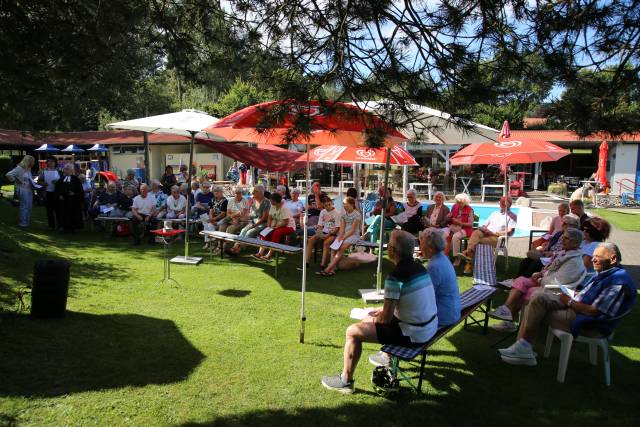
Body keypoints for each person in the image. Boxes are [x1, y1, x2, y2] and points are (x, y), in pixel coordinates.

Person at [321, 230, 439, 393]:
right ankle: (384, 360)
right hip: (429, 327)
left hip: (414, 334)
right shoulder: (419, 268)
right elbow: (405, 305)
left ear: (392, 251)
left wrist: (371, 317)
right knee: (367, 322)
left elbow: (385, 319)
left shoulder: (396, 277)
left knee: (352, 332)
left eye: (389, 244)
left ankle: (345, 381)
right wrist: (377, 312)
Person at [499, 243, 636, 366]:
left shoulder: (618, 282)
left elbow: (592, 311)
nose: (592, 259)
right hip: (578, 307)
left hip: (588, 324)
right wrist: (561, 291)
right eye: (593, 256)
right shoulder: (607, 273)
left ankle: (523, 347)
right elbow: (585, 295)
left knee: (537, 303)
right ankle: (523, 346)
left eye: (598, 257)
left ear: (612, 259)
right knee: (543, 294)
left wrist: (568, 301)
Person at [491, 228, 586, 331]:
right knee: (521, 280)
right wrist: (540, 273)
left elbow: (557, 282)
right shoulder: (565, 253)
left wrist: (540, 278)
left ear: (576, 243)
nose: (562, 240)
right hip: (544, 281)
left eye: (566, 238)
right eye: (563, 237)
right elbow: (550, 269)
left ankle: (516, 324)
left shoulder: (573, 262)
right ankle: (506, 309)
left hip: (554, 291)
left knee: (526, 289)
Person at [457, 196, 516, 275]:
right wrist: (484, 228)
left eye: (504, 202)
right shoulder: (494, 213)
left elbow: (510, 231)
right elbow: (485, 224)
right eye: (501, 201)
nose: (502, 203)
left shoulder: (512, 216)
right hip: (486, 233)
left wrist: (494, 233)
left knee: (478, 242)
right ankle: (469, 254)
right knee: (476, 232)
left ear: (509, 204)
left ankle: (468, 258)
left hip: (497, 237)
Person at [517, 214, 580, 278]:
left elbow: (568, 252)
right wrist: (545, 249)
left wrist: (552, 253)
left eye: (564, 223)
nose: (562, 224)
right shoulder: (559, 233)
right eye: (562, 222)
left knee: (536, 264)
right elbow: (551, 244)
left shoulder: (575, 237)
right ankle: (517, 280)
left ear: (573, 226)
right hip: (547, 256)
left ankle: (523, 282)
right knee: (526, 261)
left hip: (555, 260)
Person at [419, 229, 460, 327]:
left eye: (422, 244)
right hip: (452, 311)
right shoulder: (443, 258)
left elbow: (425, 298)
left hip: (444, 316)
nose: (420, 247)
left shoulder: (433, 266)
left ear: (431, 248)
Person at [317, 196, 361, 276]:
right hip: (344, 234)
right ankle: (332, 270)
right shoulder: (344, 215)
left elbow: (353, 230)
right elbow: (342, 228)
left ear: (351, 204)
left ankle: (328, 269)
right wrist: (340, 237)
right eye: (343, 204)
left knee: (341, 248)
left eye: (345, 204)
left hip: (353, 235)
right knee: (333, 247)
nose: (344, 206)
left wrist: (342, 237)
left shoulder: (357, 215)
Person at [227, 185, 271, 254]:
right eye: (253, 191)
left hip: (263, 223)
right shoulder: (254, 201)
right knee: (243, 230)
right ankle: (235, 247)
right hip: (253, 222)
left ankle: (237, 249)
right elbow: (252, 215)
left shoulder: (266, 202)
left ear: (261, 193)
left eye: (255, 191)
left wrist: (254, 225)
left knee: (249, 232)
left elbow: (264, 218)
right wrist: (244, 218)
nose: (252, 193)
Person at [253, 193, 296, 260]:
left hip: (289, 227)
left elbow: (285, 222)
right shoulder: (273, 206)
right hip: (277, 226)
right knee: (265, 233)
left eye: (271, 200)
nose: (270, 201)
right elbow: (269, 218)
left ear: (275, 201)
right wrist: (268, 226)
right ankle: (260, 253)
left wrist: (275, 227)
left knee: (276, 233)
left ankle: (269, 254)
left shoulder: (284, 208)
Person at [304, 196, 341, 269]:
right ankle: (306, 262)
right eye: (326, 205)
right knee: (310, 240)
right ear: (323, 205)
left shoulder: (337, 213)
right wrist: (319, 232)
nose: (328, 207)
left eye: (329, 204)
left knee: (326, 243)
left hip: (333, 234)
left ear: (332, 203)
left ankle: (322, 265)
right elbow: (320, 225)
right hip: (324, 232)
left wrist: (327, 235)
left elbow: (337, 228)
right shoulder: (323, 212)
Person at [5, 155, 36, 229]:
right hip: (22, 190)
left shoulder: (28, 168)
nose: (33, 163)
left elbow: (28, 178)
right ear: (28, 161)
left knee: (29, 207)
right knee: (24, 206)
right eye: (32, 161)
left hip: (29, 189)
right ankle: (22, 223)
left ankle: (26, 222)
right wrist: (16, 180)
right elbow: (8, 174)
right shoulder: (20, 168)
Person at [447, 193, 474, 267]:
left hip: (465, 229)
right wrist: (449, 217)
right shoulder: (454, 206)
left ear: (465, 202)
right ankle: (445, 255)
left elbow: (470, 224)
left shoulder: (470, 210)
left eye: (460, 202)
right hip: (453, 226)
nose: (458, 204)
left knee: (455, 237)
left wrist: (460, 223)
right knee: (444, 234)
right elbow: (450, 216)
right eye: (457, 202)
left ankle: (457, 257)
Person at [55, 163, 85, 232]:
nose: (65, 170)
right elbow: (57, 189)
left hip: (73, 200)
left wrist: (74, 193)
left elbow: (80, 190)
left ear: (71, 170)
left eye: (67, 169)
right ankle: (63, 226)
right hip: (63, 201)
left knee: (74, 213)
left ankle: (74, 227)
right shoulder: (61, 179)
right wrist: (59, 195)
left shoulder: (76, 179)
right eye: (65, 169)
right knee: (62, 213)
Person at [38, 156, 61, 229]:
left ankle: (59, 225)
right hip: (47, 193)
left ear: (55, 163)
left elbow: (63, 181)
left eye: (52, 161)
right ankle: (51, 226)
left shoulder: (59, 171)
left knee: (58, 210)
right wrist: (43, 183)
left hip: (57, 193)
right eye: (49, 161)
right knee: (49, 210)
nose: (50, 163)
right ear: (47, 163)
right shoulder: (43, 171)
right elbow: (39, 181)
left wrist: (58, 182)